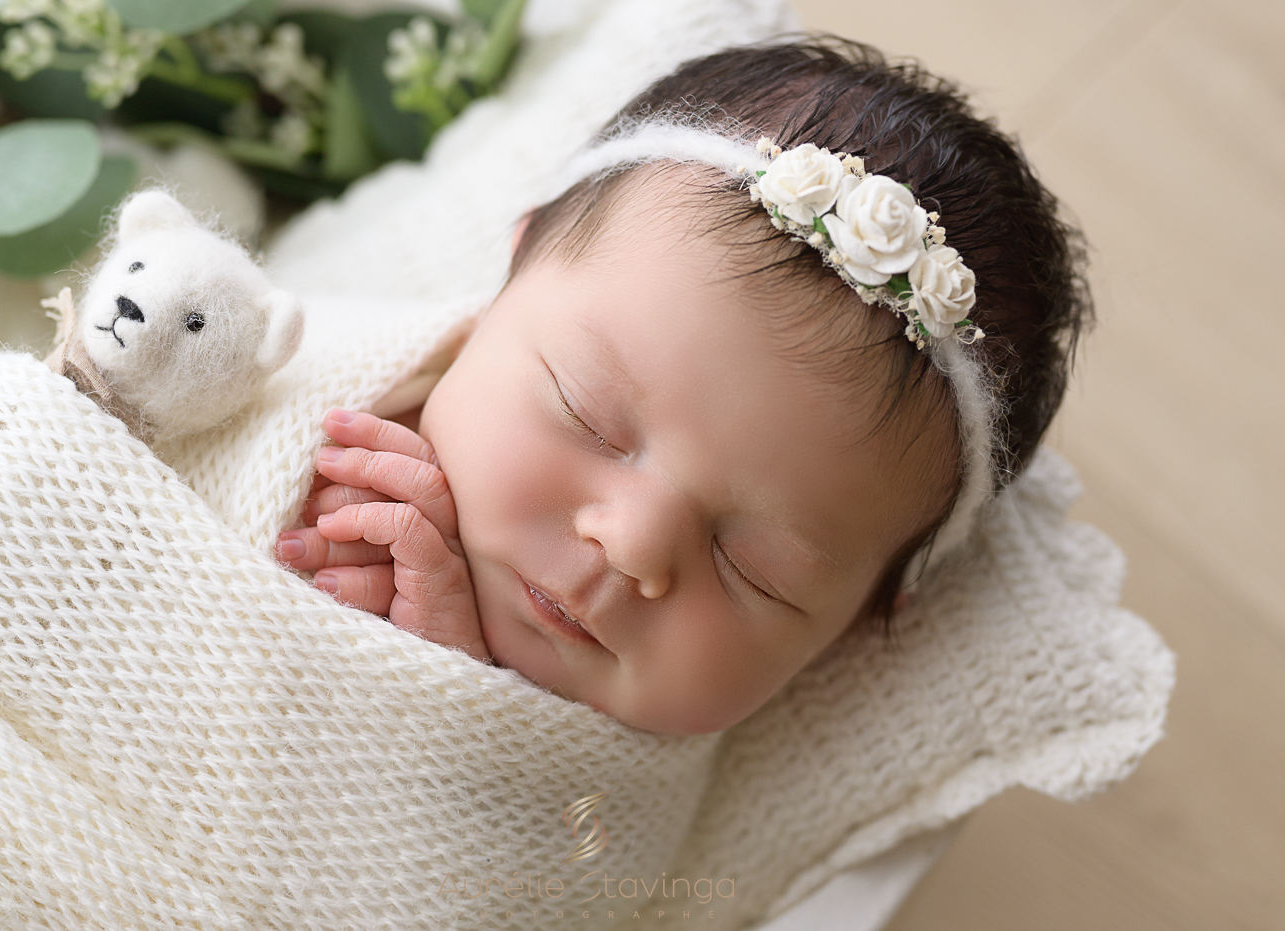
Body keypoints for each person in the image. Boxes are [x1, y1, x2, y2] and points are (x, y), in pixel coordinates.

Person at [273, 36, 1089, 736]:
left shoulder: (630, 817)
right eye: (582, 410)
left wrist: (440, 697)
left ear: (850, 634)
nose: (631, 545)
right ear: (509, 276)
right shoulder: (295, 369)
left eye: (754, 569)